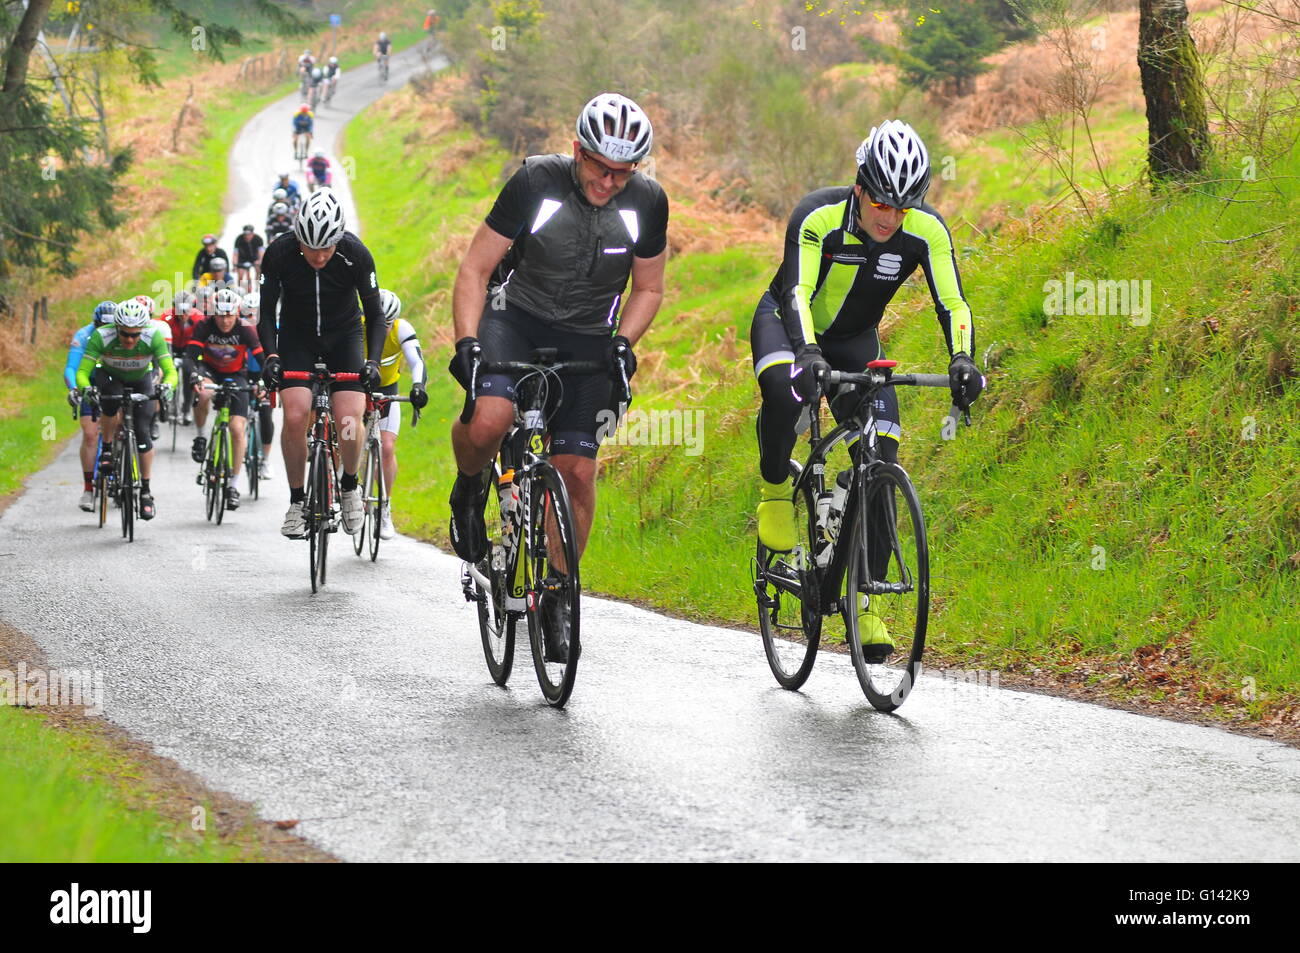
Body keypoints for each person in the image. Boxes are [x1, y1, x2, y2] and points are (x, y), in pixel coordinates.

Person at [750, 119, 984, 658]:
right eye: (881, 202)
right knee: (786, 392)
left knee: (882, 454)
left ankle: (865, 604)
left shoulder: (926, 232)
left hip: (855, 341)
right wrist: (807, 352)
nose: (890, 217)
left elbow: (953, 302)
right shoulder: (818, 215)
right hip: (789, 325)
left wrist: (963, 358)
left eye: (902, 207)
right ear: (860, 186)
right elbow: (798, 291)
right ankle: (776, 489)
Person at [446, 92, 667, 662]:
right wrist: (468, 341)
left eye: (623, 172)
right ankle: (470, 488)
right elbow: (476, 267)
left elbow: (648, 288)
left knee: (577, 469)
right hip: (513, 318)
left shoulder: (646, 202)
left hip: (589, 333)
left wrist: (623, 344)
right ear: (577, 150)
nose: (609, 181)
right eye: (599, 166)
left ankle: (560, 598)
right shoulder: (536, 183)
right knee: (491, 417)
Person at [257, 188, 386, 539]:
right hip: (297, 338)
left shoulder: (356, 254)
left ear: (338, 240)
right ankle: (297, 501)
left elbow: (375, 315)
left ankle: (349, 486)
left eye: (326, 248)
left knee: (348, 418)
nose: (318, 255)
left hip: (344, 336)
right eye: (311, 247)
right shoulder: (280, 253)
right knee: (296, 414)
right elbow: (266, 313)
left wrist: (372, 362)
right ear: (298, 237)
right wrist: (270, 356)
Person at [75, 299, 177, 521]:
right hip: (111, 377)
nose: (130, 339)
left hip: (141, 379)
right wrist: (87, 389)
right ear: (116, 328)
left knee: (142, 432)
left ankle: (147, 492)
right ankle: (109, 449)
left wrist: (167, 387)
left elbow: (170, 371)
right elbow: (83, 372)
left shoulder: (153, 336)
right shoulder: (102, 336)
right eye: (125, 334)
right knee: (110, 399)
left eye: (135, 335)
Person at [187, 288, 264, 511]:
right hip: (209, 370)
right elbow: (191, 357)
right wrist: (194, 375)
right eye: (221, 315)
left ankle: (232, 485)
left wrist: (263, 381)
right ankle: (201, 437)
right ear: (214, 314)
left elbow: (261, 357)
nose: (225, 320)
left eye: (230, 315)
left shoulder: (244, 329)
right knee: (203, 393)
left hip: (236, 375)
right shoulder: (204, 326)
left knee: (237, 429)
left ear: (236, 313)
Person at [369, 289, 428, 539]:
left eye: (389, 323)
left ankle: (384, 507)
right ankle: (347, 488)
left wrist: (418, 387)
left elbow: (416, 361)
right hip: (356, 387)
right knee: (347, 437)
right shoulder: (357, 322)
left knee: (387, 447)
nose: (384, 328)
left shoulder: (401, 328)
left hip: (387, 390)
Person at [64, 300, 116, 511]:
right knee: (90, 434)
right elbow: (71, 368)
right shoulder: (83, 336)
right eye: (100, 326)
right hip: (90, 384)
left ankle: (123, 468)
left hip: (115, 381)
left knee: (122, 425)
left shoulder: (123, 335)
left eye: (109, 328)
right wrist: (74, 388)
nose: (104, 332)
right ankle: (88, 489)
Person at [240, 292, 275, 480]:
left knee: (266, 416)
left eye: (256, 315)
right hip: (243, 375)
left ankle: (266, 460)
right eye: (248, 315)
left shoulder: (273, 329)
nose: (252, 319)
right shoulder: (239, 329)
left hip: (265, 375)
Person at [161, 289, 202, 424]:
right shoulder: (166, 317)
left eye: (186, 310)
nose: (183, 315)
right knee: (168, 373)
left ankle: (186, 409)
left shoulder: (199, 319)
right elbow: (160, 339)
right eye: (180, 310)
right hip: (171, 346)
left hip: (189, 349)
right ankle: (169, 404)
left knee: (188, 373)